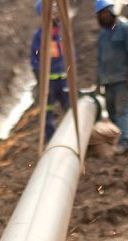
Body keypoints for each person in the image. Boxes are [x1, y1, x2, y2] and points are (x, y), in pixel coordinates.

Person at [94, 0, 128, 154]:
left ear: (112, 12)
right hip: (108, 80)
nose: (104, 16)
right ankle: (116, 139)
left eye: (106, 13)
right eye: (101, 14)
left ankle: (122, 142)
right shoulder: (103, 35)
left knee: (122, 112)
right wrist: (98, 81)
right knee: (112, 113)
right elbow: (100, 59)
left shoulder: (126, 29)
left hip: (122, 79)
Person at [31, 0, 72, 140]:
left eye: (55, 11)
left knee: (70, 110)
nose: (54, 14)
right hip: (49, 83)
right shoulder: (40, 36)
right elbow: (35, 60)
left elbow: (71, 54)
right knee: (47, 113)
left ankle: (71, 137)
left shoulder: (62, 32)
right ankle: (51, 141)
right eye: (51, 12)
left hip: (64, 81)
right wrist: (40, 79)